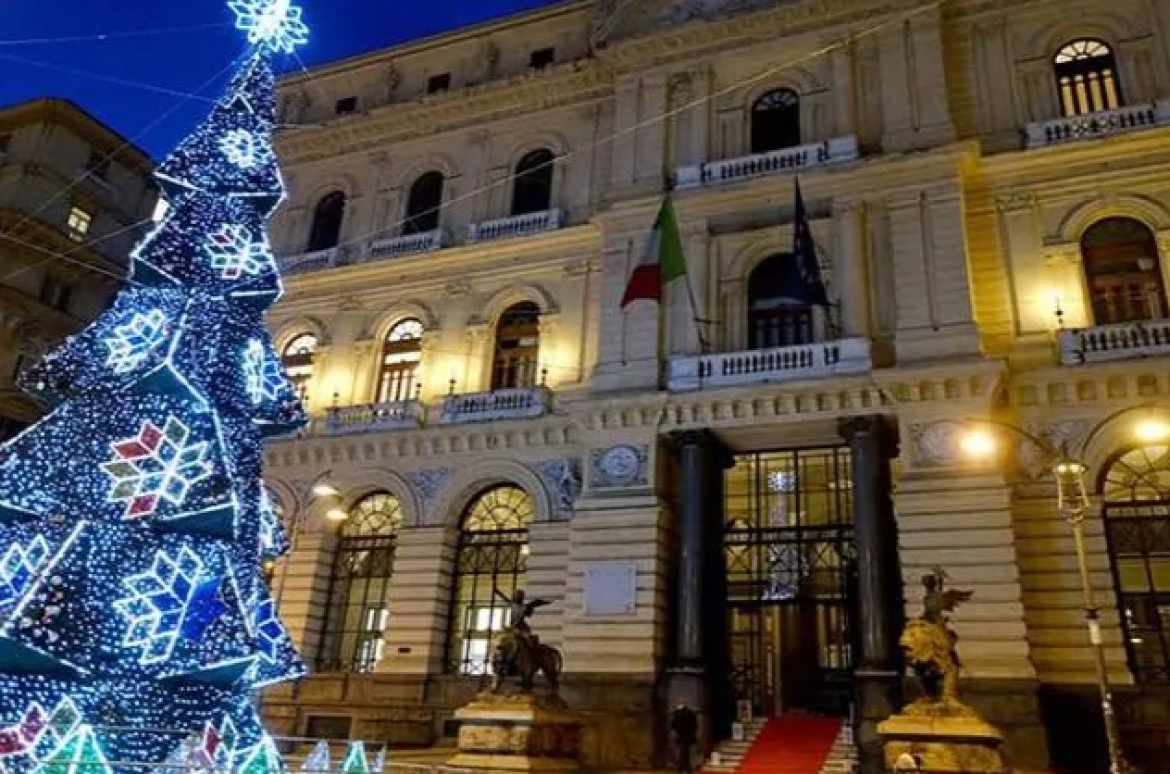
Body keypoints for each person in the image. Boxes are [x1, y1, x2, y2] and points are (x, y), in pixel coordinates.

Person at [670, 702, 699, 774]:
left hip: (684, 737)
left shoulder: (679, 714)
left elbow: (673, 725)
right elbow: (695, 726)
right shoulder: (688, 714)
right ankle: (686, 768)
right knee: (685, 754)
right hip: (687, 737)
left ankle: (684, 768)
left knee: (684, 754)